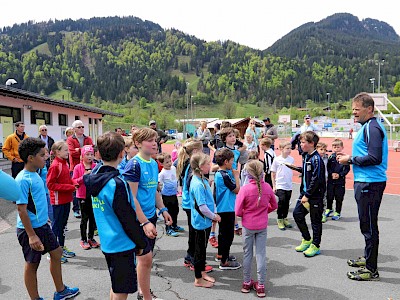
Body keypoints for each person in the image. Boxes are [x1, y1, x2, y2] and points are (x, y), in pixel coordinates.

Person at [84, 132, 146, 299]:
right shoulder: (118, 184)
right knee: (121, 290)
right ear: (121, 153)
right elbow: (127, 218)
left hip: (107, 241)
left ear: (98, 154)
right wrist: (140, 242)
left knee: (116, 284)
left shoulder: (93, 177)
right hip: (122, 243)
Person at [16, 137, 79, 300]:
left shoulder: (35, 173)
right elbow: (22, 210)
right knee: (32, 264)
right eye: (42, 154)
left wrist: (45, 219)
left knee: (57, 252)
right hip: (30, 229)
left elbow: (36, 202)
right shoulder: (23, 179)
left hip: (42, 225)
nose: (46, 157)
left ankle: (61, 291)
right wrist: (31, 235)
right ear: (31, 158)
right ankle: (35, 298)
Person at [337, 92, 388, 281]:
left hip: (370, 182)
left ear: (369, 109)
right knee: (366, 224)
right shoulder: (367, 126)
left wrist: (349, 159)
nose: (354, 113)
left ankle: (371, 269)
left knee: (369, 227)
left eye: (357, 110)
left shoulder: (372, 128)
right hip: (366, 181)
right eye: (352, 110)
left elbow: (375, 158)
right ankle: (368, 258)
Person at [123, 128, 172, 300]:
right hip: (139, 220)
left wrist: (163, 209)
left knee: (145, 260)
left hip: (150, 217)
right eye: (150, 140)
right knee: (145, 259)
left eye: (156, 140)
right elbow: (132, 198)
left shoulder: (152, 163)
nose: (155, 143)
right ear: (137, 143)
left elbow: (154, 191)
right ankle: (145, 296)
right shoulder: (134, 165)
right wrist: (144, 222)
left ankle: (143, 292)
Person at [236, 160, 277, 298]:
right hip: (262, 225)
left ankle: (246, 283)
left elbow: (237, 210)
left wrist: (245, 215)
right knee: (261, 254)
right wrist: (265, 212)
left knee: (247, 254)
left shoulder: (245, 189)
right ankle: (260, 285)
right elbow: (274, 205)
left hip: (248, 225)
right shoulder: (267, 188)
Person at [176, 139, 213, 271]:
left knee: (193, 233)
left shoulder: (187, 163)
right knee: (196, 235)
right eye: (202, 150)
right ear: (196, 151)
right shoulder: (191, 167)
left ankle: (190, 258)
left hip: (188, 203)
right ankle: (194, 261)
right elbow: (192, 185)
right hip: (191, 204)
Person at [189, 152, 220, 288]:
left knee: (203, 248)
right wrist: (214, 216)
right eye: (208, 164)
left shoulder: (201, 179)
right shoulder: (197, 184)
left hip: (205, 222)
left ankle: (202, 272)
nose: (210, 165)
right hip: (201, 222)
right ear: (201, 166)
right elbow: (202, 207)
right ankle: (198, 279)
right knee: (199, 251)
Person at [293, 131, 326, 257]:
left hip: (314, 196)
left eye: (303, 142)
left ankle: (316, 245)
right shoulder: (306, 156)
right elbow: (308, 173)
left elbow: (316, 179)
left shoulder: (317, 159)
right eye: (300, 142)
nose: (301, 145)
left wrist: (307, 195)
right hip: (305, 193)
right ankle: (307, 239)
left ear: (312, 144)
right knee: (297, 214)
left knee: (315, 221)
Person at [47, 141, 78, 263]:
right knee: (56, 226)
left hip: (66, 199)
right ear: (57, 152)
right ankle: (52, 253)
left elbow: (67, 179)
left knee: (63, 226)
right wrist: (69, 187)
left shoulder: (64, 163)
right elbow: (50, 185)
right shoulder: (55, 165)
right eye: (65, 150)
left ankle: (61, 248)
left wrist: (73, 183)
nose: (68, 152)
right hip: (58, 201)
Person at [214, 148, 241, 270]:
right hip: (227, 208)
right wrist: (236, 176)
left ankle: (221, 254)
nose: (233, 163)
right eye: (231, 161)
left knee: (222, 234)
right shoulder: (224, 175)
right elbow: (237, 189)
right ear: (226, 162)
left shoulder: (219, 173)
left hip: (223, 207)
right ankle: (224, 261)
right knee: (228, 235)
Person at [73, 145, 99, 250]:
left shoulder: (96, 166)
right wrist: (83, 176)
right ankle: (83, 239)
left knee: (93, 218)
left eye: (92, 154)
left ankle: (91, 238)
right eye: (87, 154)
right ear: (82, 156)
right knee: (84, 218)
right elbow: (74, 181)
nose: (90, 157)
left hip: (93, 196)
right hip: (82, 196)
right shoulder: (78, 167)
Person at [67, 120, 93, 218]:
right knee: (76, 187)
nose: (81, 129)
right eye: (79, 127)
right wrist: (84, 150)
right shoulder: (70, 139)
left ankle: (87, 207)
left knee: (88, 187)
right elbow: (72, 153)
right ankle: (76, 209)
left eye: (82, 127)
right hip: (76, 166)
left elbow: (91, 149)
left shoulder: (88, 138)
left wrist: (80, 150)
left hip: (88, 166)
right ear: (74, 129)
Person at [158, 153, 184, 237]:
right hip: (166, 196)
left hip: (174, 194)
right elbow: (158, 183)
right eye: (167, 162)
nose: (169, 163)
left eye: (170, 161)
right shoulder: (162, 173)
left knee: (175, 210)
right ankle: (168, 229)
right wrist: (159, 190)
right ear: (161, 164)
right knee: (168, 212)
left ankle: (174, 225)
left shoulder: (173, 168)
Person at [271, 141, 294, 230]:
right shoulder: (277, 159)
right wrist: (274, 185)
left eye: (290, 148)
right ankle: (279, 219)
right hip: (280, 184)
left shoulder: (291, 159)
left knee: (287, 202)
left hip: (288, 184)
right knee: (282, 201)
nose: (289, 150)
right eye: (287, 148)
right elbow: (273, 172)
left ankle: (285, 217)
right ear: (281, 149)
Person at [324, 139, 350, 221]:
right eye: (334, 147)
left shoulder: (345, 157)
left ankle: (338, 212)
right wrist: (331, 173)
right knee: (329, 195)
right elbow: (328, 167)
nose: (336, 148)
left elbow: (347, 169)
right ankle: (329, 208)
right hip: (331, 180)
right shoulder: (331, 157)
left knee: (339, 197)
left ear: (342, 147)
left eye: (338, 147)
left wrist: (340, 175)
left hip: (340, 181)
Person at [37, 148, 53, 223]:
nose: (46, 154)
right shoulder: (40, 166)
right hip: (42, 189)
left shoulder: (47, 163)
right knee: (47, 206)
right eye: (44, 153)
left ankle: (50, 219)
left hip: (46, 189)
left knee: (48, 205)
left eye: (47, 153)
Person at [316, 142, 329, 223]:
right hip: (316, 181)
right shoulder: (314, 158)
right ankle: (316, 213)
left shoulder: (327, 158)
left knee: (324, 197)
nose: (323, 151)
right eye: (321, 149)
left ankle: (323, 213)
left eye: (324, 150)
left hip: (325, 180)